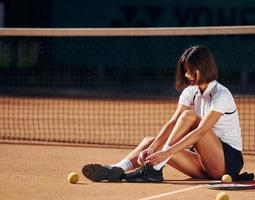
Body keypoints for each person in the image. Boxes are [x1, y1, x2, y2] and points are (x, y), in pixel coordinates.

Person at [82, 45, 244, 183]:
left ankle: (155, 170)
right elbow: (173, 122)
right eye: (185, 71)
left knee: (189, 117)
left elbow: (201, 131)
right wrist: (153, 148)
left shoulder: (221, 94)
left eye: (190, 70)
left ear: (203, 67)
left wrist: (166, 153)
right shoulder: (190, 92)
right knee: (151, 141)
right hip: (203, 163)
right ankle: (118, 168)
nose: (187, 75)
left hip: (226, 164)